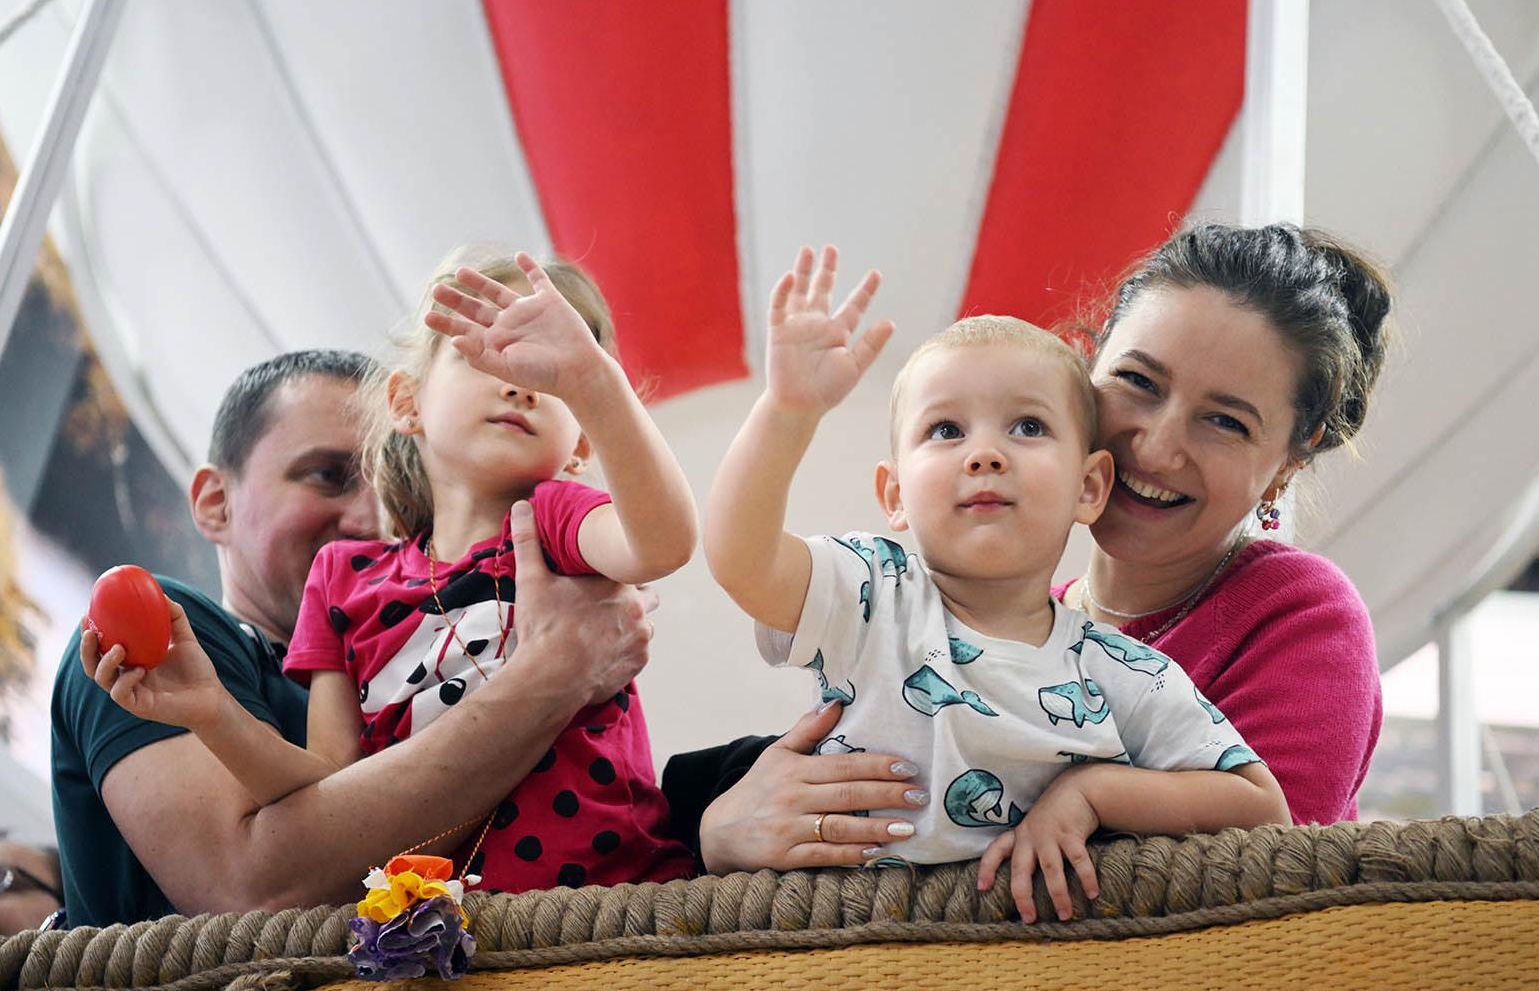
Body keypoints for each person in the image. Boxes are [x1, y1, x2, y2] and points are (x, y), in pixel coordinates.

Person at [685, 223, 1389, 869]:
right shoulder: (912, 605)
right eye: (1138, 382)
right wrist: (722, 830)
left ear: (1288, 462)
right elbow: (744, 560)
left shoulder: (1219, 640)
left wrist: (1090, 792)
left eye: (1227, 422)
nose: (1157, 447)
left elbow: (1266, 860)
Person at [83, 252, 700, 894]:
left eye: (550, 376)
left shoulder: (556, 523)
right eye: (486, 356)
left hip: (612, 904)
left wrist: (594, 382)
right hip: (442, 928)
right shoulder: (342, 577)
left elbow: (661, 543)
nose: (520, 385)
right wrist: (213, 713)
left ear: (580, 445)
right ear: (407, 402)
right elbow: (324, 793)